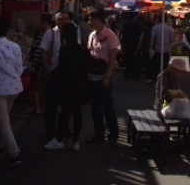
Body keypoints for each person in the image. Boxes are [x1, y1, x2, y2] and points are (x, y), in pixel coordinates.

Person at [0, 16, 24, 168]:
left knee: (3, 121)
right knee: (4, 118)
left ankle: (15, 153)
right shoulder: (15, 47)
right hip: (14, 87)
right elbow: (19, 68)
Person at [45, 25, 89, 151]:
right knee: (77, 114)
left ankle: (59, 139)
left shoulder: (64, 49)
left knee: (64, 114)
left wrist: (51, 73)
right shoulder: (80, 49)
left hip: (67, 87)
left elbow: (62, 68)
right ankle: (75, 141)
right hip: (79, 86)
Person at [85, 8, 120, 148]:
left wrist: (108, 76)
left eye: (91, 19)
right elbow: (89, 52)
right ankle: (98, 133)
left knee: (107, 107)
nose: (89, 22)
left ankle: (113, 135)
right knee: (95, 107)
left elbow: (112, 57)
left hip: (104, 76)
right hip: (92, 75)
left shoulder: (110, 35)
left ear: (98, 19)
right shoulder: (92, 35)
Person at [40, 11, 74, 145]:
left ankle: (64, 127)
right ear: (56, 20)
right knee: (51, 103)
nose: (64, 21)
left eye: (66, 19)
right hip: (54, 72)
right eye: (61, 19)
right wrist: (47, 68)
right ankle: (50, 130)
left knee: (66, 103)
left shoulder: (72, 32)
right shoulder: (50, 33)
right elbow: (43, 50)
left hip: (67, 74)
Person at [154, 59, 190, 146]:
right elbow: (162, 94)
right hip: (164, 105)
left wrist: (181, 95)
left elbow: (178, 90)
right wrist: (173, 94)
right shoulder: (163, 77)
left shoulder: (174, 77)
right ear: (173, 69)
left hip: (175, 104)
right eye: (180, 71)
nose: (181, 74)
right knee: (189, 113)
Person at [27, 13, 54, 116]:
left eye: (41, 22)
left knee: (35, 87)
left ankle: (37, 108)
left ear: (44, 22)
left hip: (40, 65)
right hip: (46, 65)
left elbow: (38, 51)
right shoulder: (52, 33)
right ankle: (41, 107)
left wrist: (33, 65)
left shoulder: (43, 34)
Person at [149, 14, 174, 80]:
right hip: (166, 50)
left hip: (157, 50)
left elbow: (152, 38)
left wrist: (151, 47)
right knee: (165, 66)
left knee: (157, 65)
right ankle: (164, 79)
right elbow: (171, 39)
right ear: (166, 20)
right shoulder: (169, 29)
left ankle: (157, 77)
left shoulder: (155, 28)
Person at [120, 12, 143, 80]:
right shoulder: (138, 26)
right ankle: (134, 74)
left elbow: (123, 36)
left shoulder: (126, 25)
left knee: (127, 59)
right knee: (135, 59)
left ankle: (127, 73)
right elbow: (140, 37)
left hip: (127, 44)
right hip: (135, 44)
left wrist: (122, 45)